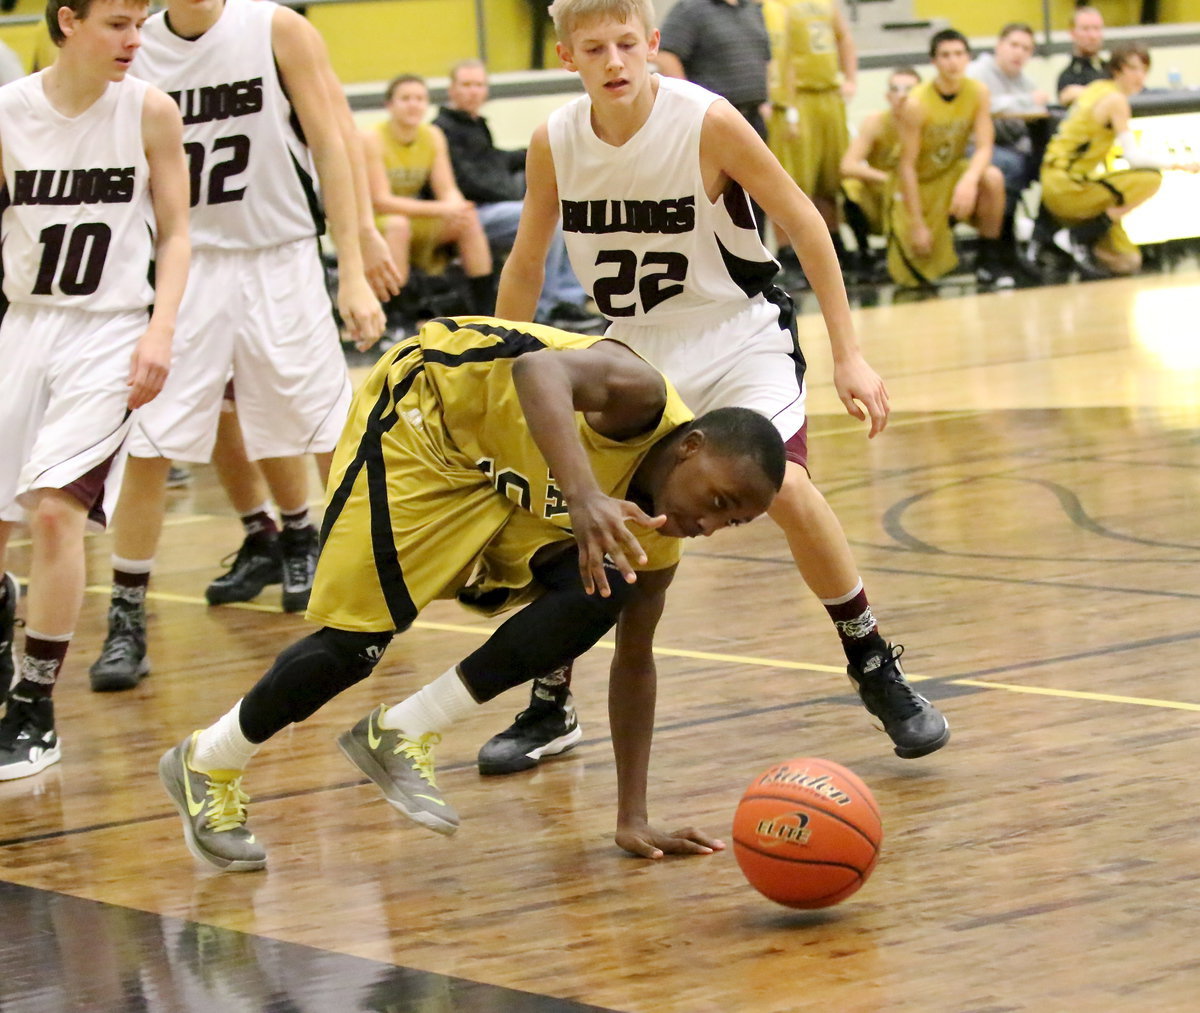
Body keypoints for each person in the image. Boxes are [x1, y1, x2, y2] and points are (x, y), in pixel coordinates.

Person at [476, 0, 950, 778]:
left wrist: (849, 354)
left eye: (628, 43)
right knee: (576, 507)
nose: (615, 61)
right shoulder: (554, 140)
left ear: (653, 43)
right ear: (568, 58)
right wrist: (499, 372)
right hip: (633, 347)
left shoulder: (707, 120)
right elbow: (526, 263)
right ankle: (550, 699)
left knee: (785, 485)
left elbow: (803, 221)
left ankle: (872, 663)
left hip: (737, 334)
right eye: (595, 49)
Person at [158, 316, 787, 871]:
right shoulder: (639, 397)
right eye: (718, 500)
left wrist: (633, 816)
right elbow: (538, 370)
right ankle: (208, 760)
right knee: (354, 645)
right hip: (425, 413)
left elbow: (634, 663)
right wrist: (583, 493)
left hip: (499, 476)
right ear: (691, 446)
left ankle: (404, 730)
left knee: (608, 587)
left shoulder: (654, 537)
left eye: (729, 522)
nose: (708, 524)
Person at [86, 0, 385, 693]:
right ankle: (126, 613)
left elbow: (333, 143)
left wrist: (354, 270)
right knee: (148, 438)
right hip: (186, 265)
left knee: (323, 430)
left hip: (280, 256)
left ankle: (368, 591)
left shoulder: (277, 29)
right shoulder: (136, 45)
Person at [0, 0, 189, 778]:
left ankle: (34, 705)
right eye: (117, 23)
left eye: (139, 23)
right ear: (67, 20)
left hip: (111, 330)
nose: (135, 39)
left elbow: (177, 232)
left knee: (54, 514)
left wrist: (160, 329)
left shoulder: (149, 110)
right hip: (24, 325)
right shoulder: (8, 112)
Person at [432, 59, 602, 331]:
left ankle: (568, 299)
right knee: (548, 221)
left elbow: (492, 160)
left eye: (478, 85)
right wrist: (515, 192)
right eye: (466, 85)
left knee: (566, 214)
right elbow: (468, 180)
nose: (473, 91)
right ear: (451, 90)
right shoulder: (442, 129)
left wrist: (533, 153)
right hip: (471, 213)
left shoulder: (475, 125)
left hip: (493, 209)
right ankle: (545, 308)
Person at [1032, 43, 1198, 278]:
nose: (1139, 76)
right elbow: (1133, 158)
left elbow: (1069, 96)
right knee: (1150, 180)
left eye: (1144, 70)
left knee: (1127, 261)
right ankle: (1079, 236)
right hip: (1067, 185)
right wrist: (1178, 164)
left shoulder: (1096, 88)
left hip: (1058, 181)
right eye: (1133, 69)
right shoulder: (1116, 100)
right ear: (1117, 70)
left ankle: (1079, 237)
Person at [363, 73, 495, 329]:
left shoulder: (433, 135)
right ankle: (394, 320)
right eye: (405, 99)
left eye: (420, 99)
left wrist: (457, 207)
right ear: (389, 105)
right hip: (374, 224)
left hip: (414, 219)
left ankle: (486, 314)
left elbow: (447, 189)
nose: (413, 104)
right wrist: (442, 208)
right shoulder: (372, 138)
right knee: (397, 225)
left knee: (468, 219)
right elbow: (381, 201)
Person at [888, 28, 1012, 290]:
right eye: (945, 55)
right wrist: (917, 224)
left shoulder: (978, 91)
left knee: (992, 177)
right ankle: (924, 231)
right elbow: (906, 166)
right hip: (921, 183)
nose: (953, 61)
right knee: (913, 276)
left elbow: (984, 146)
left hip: (952, 173)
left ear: (968, 58)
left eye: (958, 54)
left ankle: (988, 260)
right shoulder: (916, 103)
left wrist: (968, 181)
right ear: (934, 62)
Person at [655, 0, 772, 240]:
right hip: (714, 125)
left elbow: (763, 57)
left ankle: (754, 270)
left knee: (758, 200)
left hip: (752, 119)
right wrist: (690, 105)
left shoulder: (751, 8)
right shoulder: (691, 9)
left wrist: (764, 99)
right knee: (717, 204)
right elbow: (666, 55)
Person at [762, 0, 857, 274]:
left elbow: (844, 37)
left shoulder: (826, 3)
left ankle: (833, 243)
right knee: (790, 181)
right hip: (795, 98)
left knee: (830, 178)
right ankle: (787, 252)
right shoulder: (769, 7)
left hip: (828, 94)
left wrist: (850, 79)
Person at [967, 23, 1050, 249]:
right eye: (1014, 45)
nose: (1019, 53)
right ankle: (1001, 242)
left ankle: (1037, 239)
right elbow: (985, 106)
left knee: (1046, 163)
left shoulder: (1025, 82)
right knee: (1013, 166)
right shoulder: (977, 72)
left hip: (1003, 148)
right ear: (999, 45)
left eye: (1026, 49)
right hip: (969, 147)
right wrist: (1027, 101)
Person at [840, 66, 920, 271]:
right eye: (896, 89)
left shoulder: (929, 123)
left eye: (909, 90)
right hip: (883, 195)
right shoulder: (876, 122)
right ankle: (866, 254)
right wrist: (888, 179)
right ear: (887, 95)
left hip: (922, 195)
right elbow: (847, 166)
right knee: (850, 187)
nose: (901, 96)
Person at [1057, 5, 1106, 107]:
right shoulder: (1067, 78)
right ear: (1072, 33)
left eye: (1096, 29)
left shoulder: (1113, 70)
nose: (1093, 36)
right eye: (1085, 29)